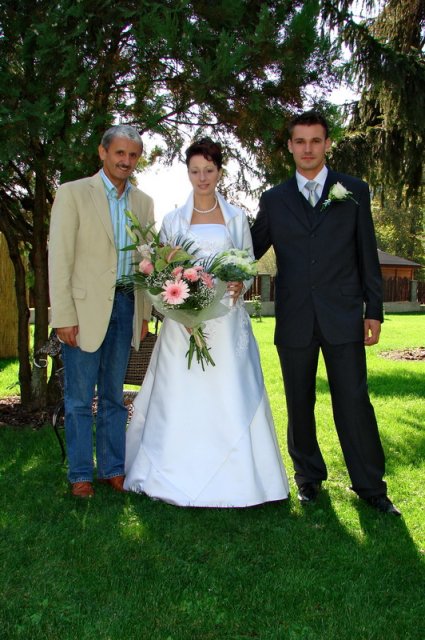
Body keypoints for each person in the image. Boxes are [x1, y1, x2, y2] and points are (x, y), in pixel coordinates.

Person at [124, 138, 289, 507]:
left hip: (226, 321)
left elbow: (246, 264)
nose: (202, 178)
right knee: (180, 394)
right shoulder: (173, 220)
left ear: (219, 172)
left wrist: (241, 283)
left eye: (209, 170)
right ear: (187, 172)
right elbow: (161, 273)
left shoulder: (235, 218)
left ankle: (239, 479)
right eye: (195, 171)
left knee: (228, 391)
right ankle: (170, 474)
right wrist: (179, 310)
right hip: (182, 325)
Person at [251, 111, 401, 515]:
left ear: (327, 144)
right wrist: (206, 262)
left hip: (344, 314)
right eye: (300, 141)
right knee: (298, 403)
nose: (308, 149)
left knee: (353, 401)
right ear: (290, 146)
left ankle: (371, 486)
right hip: (295, 316)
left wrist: (374, 310)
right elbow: (249, 248)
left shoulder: (353, 191)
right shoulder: (274, 199)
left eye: (315, 141)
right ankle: (308, 477)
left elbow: (367, 255)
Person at [48, 125, 154, 498]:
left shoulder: (143, 203)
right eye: (119, 153)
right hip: (83, 311)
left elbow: (147, 263)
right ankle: (80, 474)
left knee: (113, 395)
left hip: (126, 307)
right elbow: (60, 258)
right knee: (79, 399)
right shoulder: (73, 193)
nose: (126, 161)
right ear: (103, 152)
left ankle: (112, 469)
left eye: (133, 155)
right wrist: (63, 316)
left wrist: (143, 314)